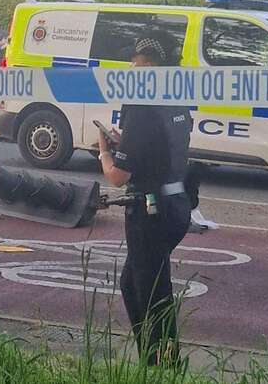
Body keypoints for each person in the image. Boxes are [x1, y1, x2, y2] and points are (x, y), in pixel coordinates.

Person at [97, 37, 193, 366]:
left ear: (148, 66)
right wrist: (130, 143)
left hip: (149, 210)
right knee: (134, 283)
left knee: (150, 293)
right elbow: (161, 146)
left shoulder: (140, 105)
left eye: (134, 63)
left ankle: (162, 364)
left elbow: (118, 176)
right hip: (176, 202)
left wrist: (105, 153)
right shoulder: (176, 98)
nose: (130, 69)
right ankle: (155, 358)